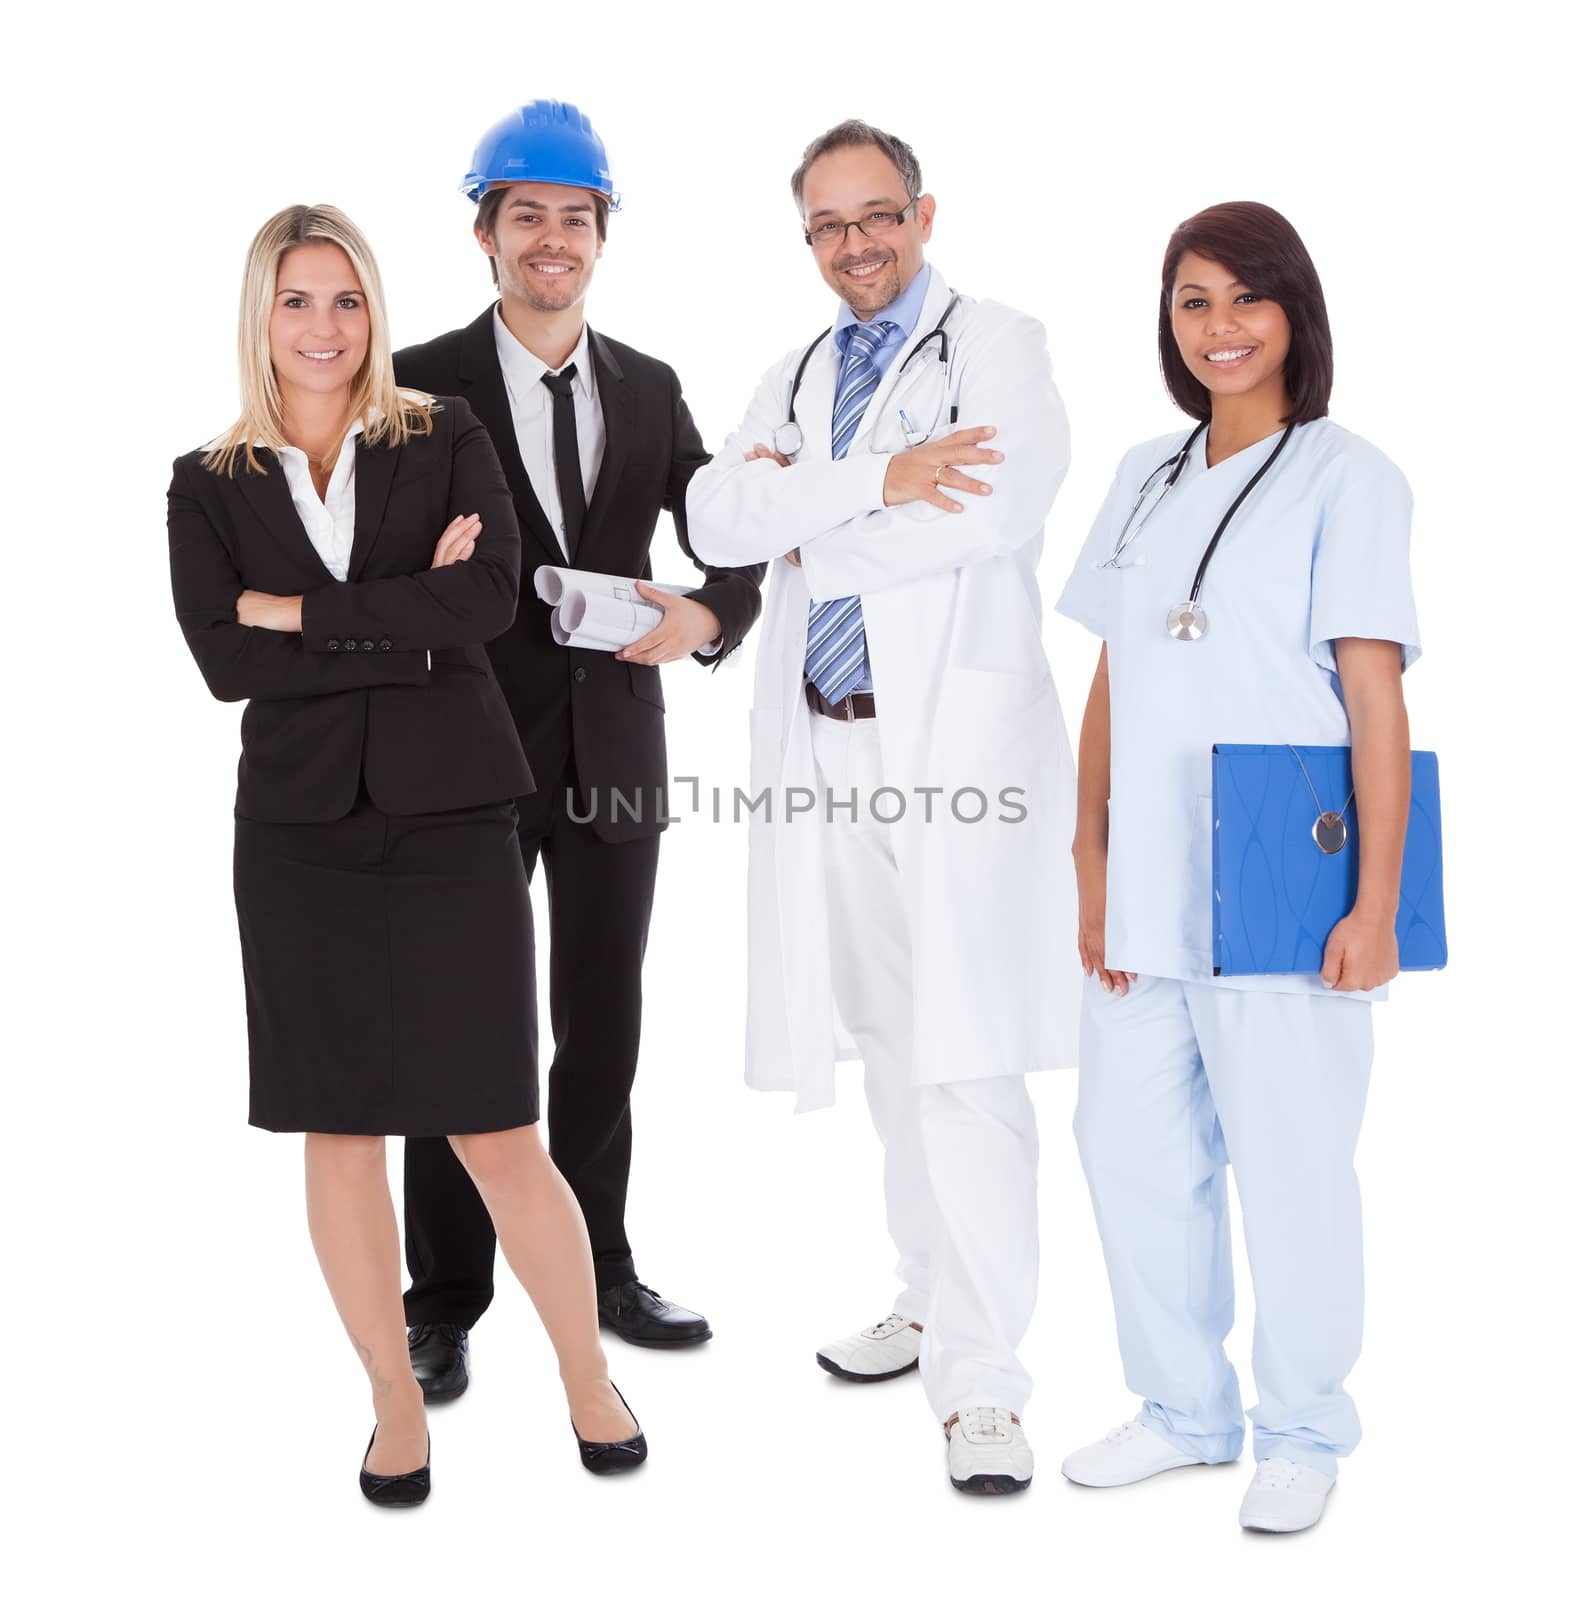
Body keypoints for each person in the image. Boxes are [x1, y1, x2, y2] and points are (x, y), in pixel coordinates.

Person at [168, 204, 648, 1505]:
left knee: (496, 1125)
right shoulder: (207, 482)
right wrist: (401, 618)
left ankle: (584, 1379)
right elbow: (224, 658)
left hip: (451, 822)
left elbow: (488, 602)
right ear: (260, 316)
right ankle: (394, 1404)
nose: (326, 328)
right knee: (338, 1130)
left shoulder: (443, 434)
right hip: (299, 837)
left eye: (346, 300)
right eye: (297, 301)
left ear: (373, 311)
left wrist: (303, 610)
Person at [687, 119, 1079, 1494]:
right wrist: (861, 486)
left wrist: (803, 512)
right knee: (881, 1030)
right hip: (825, 743)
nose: (854, 244)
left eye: (875, 216)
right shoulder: (793, 370)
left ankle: (986, 1382)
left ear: (921, 212)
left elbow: (987, 511)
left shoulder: (999, 345)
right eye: (826, 226)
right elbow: (711, 516)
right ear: (807, 240)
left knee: (964, 1052)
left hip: (954, 746)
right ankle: (928, 1299)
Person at [1054, 201, 1420, 1533]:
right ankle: (1180, 1411)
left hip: (1278, 881)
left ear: (1293, 315)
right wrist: (1086, 859)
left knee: (1291, 1160)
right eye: (1191, 300)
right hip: (1143, 883)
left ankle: (1304, 1427)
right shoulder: (1143, 474)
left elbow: (1371, 701)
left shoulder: (1347, 476)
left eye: (1243, 299)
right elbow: (1110, 673)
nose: (1217, 328)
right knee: (1128, 1150)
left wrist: (1372, 901)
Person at [393, 100, 765, 1401]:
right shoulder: (417, 383)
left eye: (575, 218)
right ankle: (439, 1299)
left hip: (613, 749)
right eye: (527, 216)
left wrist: (708, 613)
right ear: (485, 231)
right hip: (459, 756)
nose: (552, 239)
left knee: (599, 1024)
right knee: (458, 1031)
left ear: (601, 235)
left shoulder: (649, 387)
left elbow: (733, 527)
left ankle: (601, 1263)